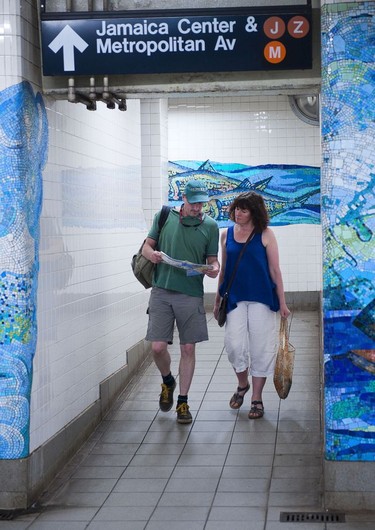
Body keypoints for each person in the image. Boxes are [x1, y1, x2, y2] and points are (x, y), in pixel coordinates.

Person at [142, 180, 220, 424]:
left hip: (191, 293)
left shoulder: (210, 226)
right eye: (194, 202)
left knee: (188, 348)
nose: (198, 207)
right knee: (157, 348)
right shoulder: (164, 216)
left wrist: (214, 269)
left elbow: (212, 259)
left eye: (201, 203)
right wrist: (152, 255)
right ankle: (168, 380)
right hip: (162, 290)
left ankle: (183, 402)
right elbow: (146, 247)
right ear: (183, 199)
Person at [214, 191, 290, 419]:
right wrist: (217, 300)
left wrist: (283, 304)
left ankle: (256, 398)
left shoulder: (265, 234)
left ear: (254, 212)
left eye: (244, 210)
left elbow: (275, 271)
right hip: (235, 298)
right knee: (234, 345)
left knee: (261, 348)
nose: (238, 213)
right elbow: (225, 271)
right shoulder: (225, 235)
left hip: (262, 299)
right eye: (236, 208)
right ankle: (242, 383)